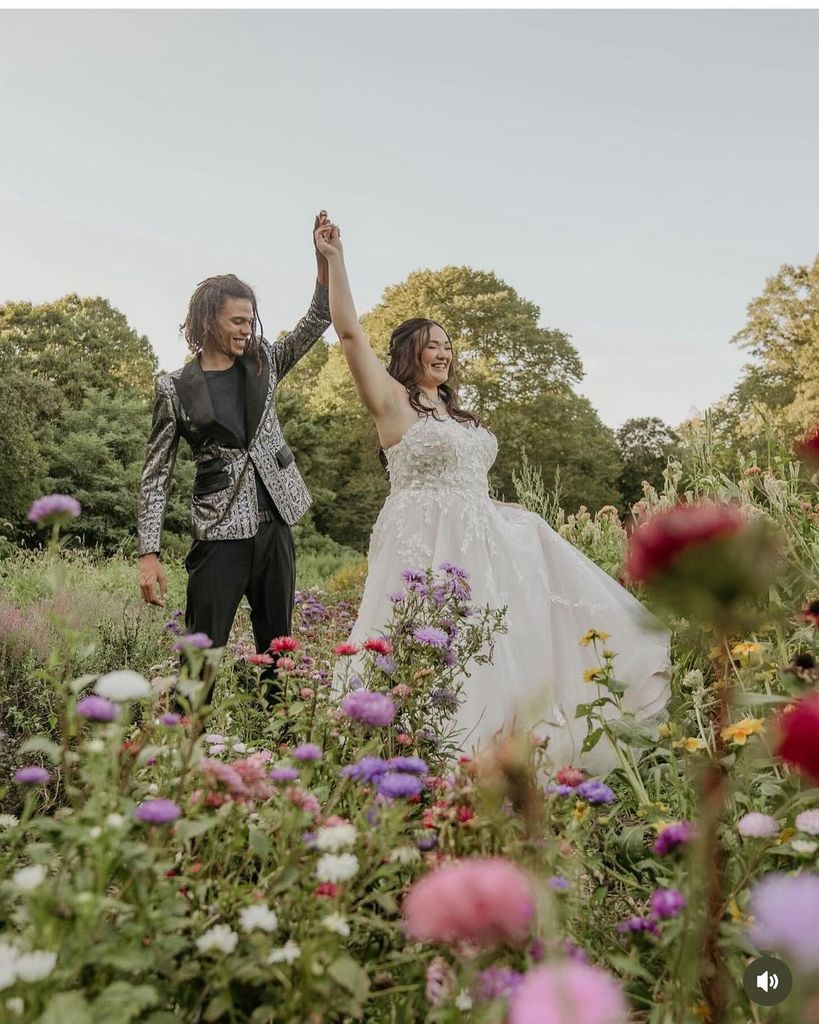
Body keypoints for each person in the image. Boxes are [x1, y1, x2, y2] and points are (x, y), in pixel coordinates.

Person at [315, 222, 670, 773]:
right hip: (422, 542)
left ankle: (502, 751)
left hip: (480, 538)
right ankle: (422, 751)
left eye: (448, 344)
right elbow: (350, 335)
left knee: (495, 639)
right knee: (422, 635)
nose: (443, 352)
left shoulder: (457, 415)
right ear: (408, 353)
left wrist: (511, 511)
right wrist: (334, 259)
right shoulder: (391, 404)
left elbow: (466, 486)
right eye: (430, 343)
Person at [137, 211, 335, 705]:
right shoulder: (174, 388)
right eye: (238, 320)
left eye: (251, 319)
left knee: (279, 656)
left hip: (276, 525)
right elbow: (156, 476)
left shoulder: (265, 361)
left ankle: (282, 757)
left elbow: (319, 318)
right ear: (208, 320)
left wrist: (323, 259)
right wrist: (148, 552)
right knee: (199, 662)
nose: (248, 329)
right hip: (218, 534)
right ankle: (186, 757)